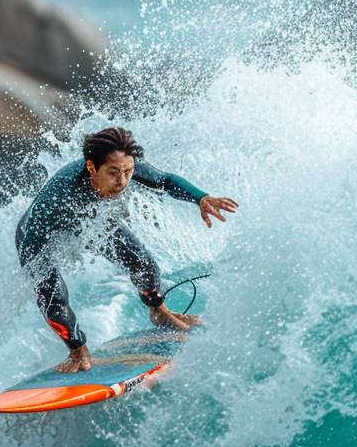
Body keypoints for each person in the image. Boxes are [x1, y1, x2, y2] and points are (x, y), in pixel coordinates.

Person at [16, 127, 238, 373]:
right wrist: (40, 280)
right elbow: (34, 256)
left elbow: (164, 180)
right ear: (91, 167)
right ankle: (78, 352)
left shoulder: (122, 165)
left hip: (89, 222)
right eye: (113, 174)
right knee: (54, 297)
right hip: (42, 237)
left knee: (145, 265)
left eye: (128, 172)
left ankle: (159, 311)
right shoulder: (57, 198)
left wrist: (200, 198)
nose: (122, 182)